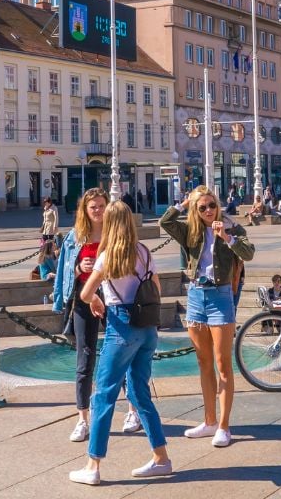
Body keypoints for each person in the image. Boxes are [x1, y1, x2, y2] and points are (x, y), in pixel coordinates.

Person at [68, 201, 173, 486]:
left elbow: (86, 293)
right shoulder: (144, 252)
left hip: (121, 327)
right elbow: (157, 288)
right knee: (139, 393)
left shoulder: (108, 257)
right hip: (147, 327)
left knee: (103, 395)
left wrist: (100, 300)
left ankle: (93, 465)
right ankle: (161, 458)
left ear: (111, 225)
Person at [160, 187, 255, 449]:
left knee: (223, 363)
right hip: (195, 298)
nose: (208, 210)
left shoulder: (231, 227)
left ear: (218, 204)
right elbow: (165, 222)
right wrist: (183, 203)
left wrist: (226, 236)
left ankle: (224, 426)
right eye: (201, 207)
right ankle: (209, 421)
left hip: (220, 298)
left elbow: (249, 253)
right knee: (203, 362)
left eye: (211, 205)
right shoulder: (190, 230)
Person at [53, 188, 143, 441]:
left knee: (122, 356)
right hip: (85, 299)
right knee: (85, 357)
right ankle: (83, 419)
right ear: (84, 210)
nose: (97, 211)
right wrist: (79, 267)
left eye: (101, 206)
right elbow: (67, 270)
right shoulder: (75, 237)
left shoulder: (115, 236)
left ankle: (133, 411)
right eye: (92, 207)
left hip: (113, 300)